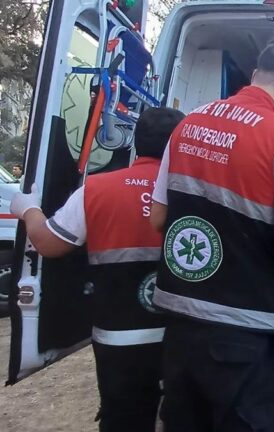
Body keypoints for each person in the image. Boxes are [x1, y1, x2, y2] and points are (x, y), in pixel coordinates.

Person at [149, 26, 274, 432]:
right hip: (247, 337)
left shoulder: (187, 126)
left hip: (181, 325)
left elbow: (158, 219)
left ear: (254, 75)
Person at [9, 107, 186, 432]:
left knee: (124, 419)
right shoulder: (191, 193)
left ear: (135, 142)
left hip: (119, 338)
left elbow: (49, 243)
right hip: (182, 335)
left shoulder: (97, 189)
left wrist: (29, 209)